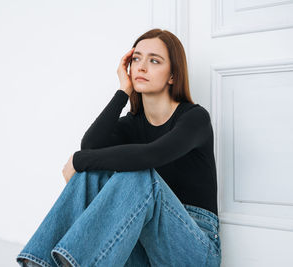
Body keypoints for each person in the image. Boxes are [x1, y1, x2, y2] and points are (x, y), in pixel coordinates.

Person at [16, 28, 221, 267]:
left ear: (172, 76)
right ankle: (38, 263)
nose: (142, 67)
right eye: (136, 59)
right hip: (143, 247)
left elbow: (150, 155)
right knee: (91, 174)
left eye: (154, 61)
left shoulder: (195, 118)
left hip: (194, 248)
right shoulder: (132, 123)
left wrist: (79, 160)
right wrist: (123, 91)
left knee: (138, 176)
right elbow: (91, 145)